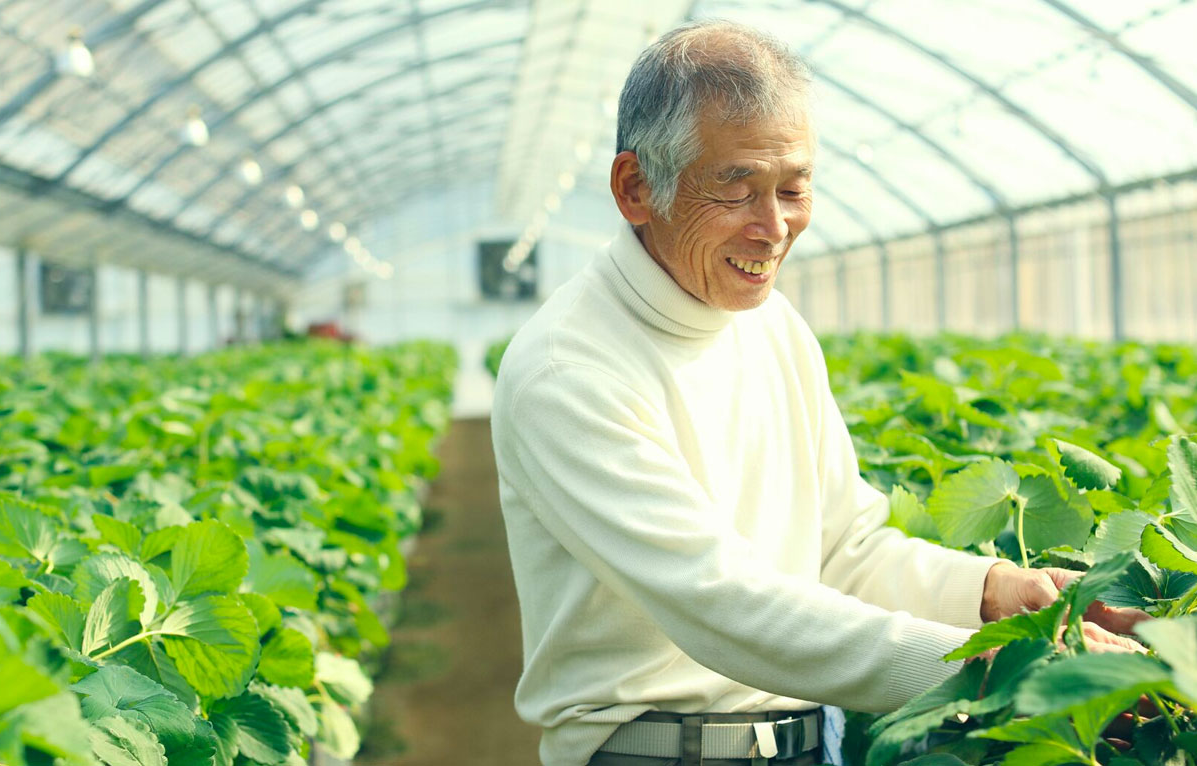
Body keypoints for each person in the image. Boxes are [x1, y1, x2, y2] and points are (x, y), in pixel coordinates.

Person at [489, 20, 1145, 766]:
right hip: (654, 753)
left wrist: (996, 594)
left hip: (805, 742)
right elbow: (724, 605)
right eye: (737, 190)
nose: (774, 228)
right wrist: (1000, 664)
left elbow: (844, 548)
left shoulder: (772, 324)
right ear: (636, 188)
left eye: (794, 189)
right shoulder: (568, 369)